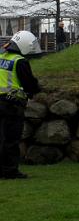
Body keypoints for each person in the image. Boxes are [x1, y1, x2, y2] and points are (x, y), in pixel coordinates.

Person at [0, 31, 42, 179]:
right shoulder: (20, 61)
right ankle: (10, 171)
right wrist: (35, 89)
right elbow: (30, 84)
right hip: (12, 105)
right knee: (11, 140)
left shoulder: (1, 57)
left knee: (1, 138)